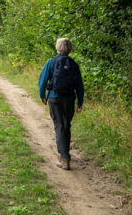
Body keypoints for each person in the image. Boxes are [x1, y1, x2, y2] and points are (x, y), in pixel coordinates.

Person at [37, 37, 84, 170]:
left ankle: (64, 158)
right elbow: (80, 86)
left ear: (57, 48)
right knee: (66, 125)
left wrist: (42, 96)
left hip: (54, 98)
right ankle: (65, 154)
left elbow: (42, 81)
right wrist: (80, 102)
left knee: (59, 126)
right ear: (70, 49)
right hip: (69, 99)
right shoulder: (74, 65)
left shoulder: (51, 62)